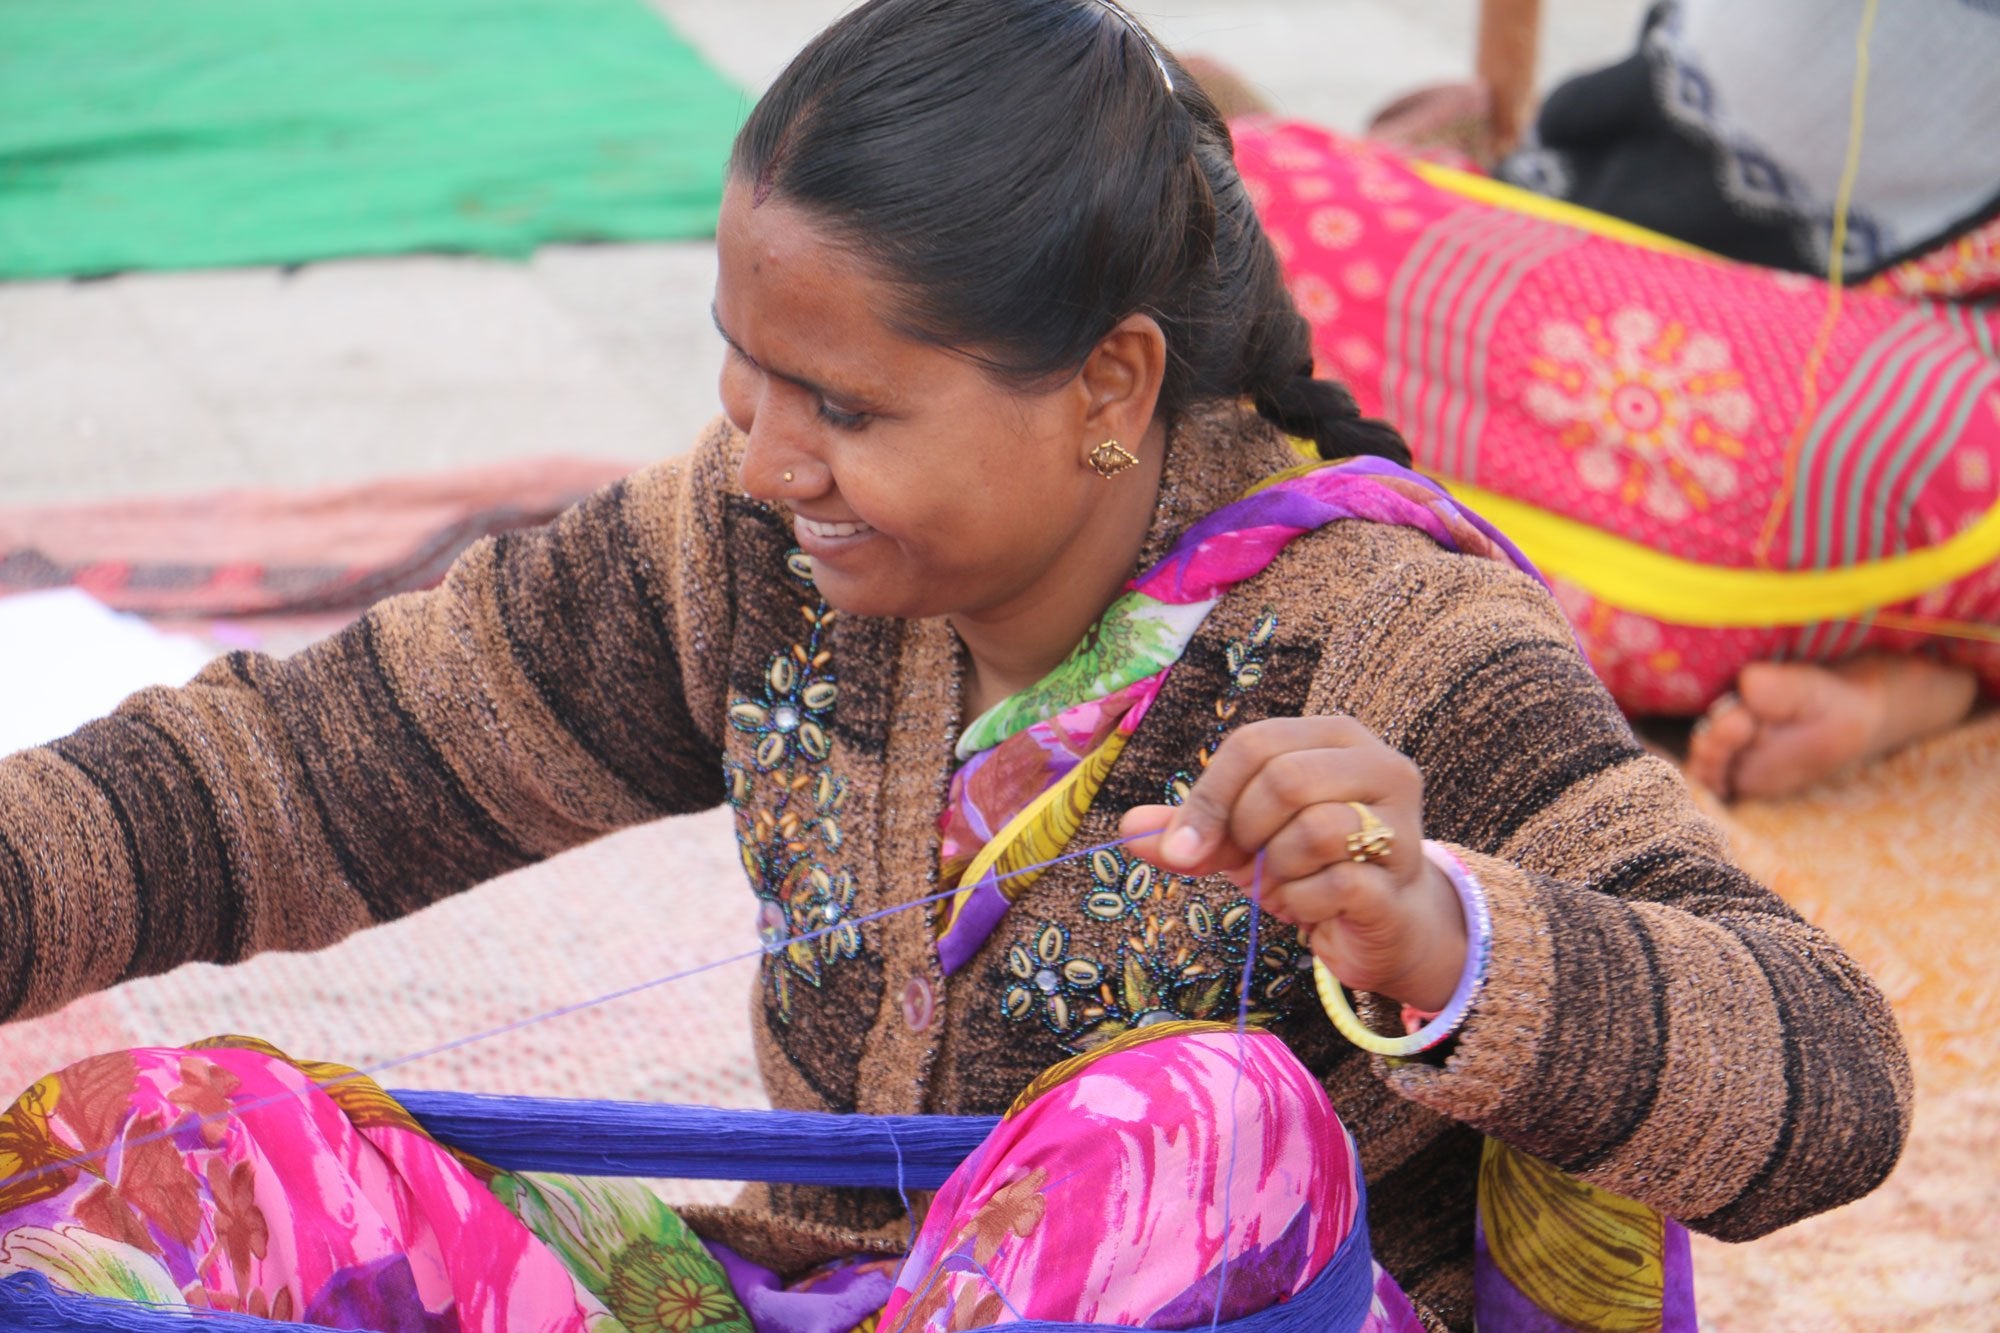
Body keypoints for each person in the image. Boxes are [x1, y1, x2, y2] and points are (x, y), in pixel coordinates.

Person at [0, 2, 1910, 1331]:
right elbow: (308, 767)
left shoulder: (1393, 640)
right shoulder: (755, 553)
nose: (764, 457)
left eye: (841, 403)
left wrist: (1454, 938)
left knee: (1197, 1121)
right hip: (818, 1291)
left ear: (1112, 387)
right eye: (745, 374)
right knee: (193, 1148)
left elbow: (1828, 1072)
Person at [1207, 0, 2000, 802]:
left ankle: (1923, 663)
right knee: (1236, 200)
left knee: (1250, 212)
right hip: (1606, 232)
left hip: (1832, 379)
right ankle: (1915, 662)